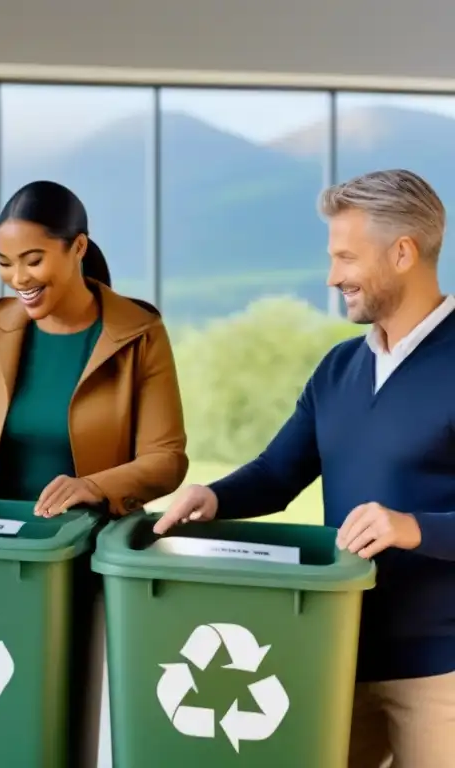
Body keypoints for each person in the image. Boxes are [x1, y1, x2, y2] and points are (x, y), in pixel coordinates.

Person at [154, 169, 455, 768]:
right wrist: (212, 498)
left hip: (440, 670)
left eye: (346, 256)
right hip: (336, 651)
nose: (332, 276)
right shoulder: (338, 369)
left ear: (403, 252)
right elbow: (277, 473)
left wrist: (412, 526)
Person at [0, 180, 189, 517]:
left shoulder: (139, 334)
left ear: (78, 247)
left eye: (33, 261)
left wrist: (95, 486)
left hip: (88, 545)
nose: (19, 278)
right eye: (5, 263)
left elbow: (166, 460)